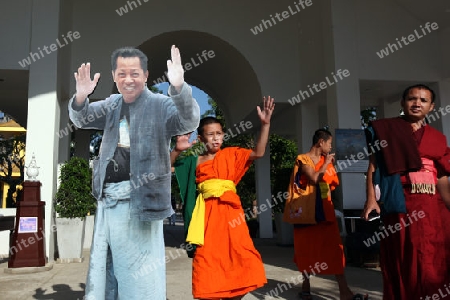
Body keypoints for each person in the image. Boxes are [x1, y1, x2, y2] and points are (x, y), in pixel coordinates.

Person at [68, 45, 200, 299]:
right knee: (109, 269)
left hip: (142, 201)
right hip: (109, 201)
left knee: (141, 274)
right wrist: (82, 97)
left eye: (134, 73)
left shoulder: (161, 104)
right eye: (122, 74)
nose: (128, 80)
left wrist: (180, 88)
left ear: (146, 75)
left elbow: (188, 120)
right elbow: (81, 119)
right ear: (115, 76)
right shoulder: (111, 104)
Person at [171, 97, 274, 300]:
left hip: (231, 216)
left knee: (240, 257)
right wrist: (176, 151)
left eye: (219, 134)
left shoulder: (231, 155)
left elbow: (258, 152)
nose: (216, 138)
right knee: (206, 260)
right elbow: (165, 169)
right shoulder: (194, 161)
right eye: (210, 135)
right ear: (201, 139)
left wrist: (265, 125)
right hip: (205, 218)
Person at [362, 84, 450, 299]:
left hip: (432, 206)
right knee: (404, 254)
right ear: (402, 103)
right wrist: (371, 200)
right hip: (401, 201)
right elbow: (374, 166)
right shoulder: (387, 129)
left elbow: (442, 177)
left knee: (434, 256)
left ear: (431, 107)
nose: (417, 103)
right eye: (411, 99)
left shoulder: (438, 138)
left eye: (423, 100)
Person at [288, 129, 367, 300]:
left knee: (335, 251)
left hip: (326, 212)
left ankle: (344, 291)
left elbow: (331, 186)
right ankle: (306, 285)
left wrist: (327, 164)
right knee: (305, 250)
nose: (330, 146)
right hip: (307, 213)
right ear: (320, 142)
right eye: (329, 143)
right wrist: (325, 165)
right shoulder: (304, 159)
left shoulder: (327, 161)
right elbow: (314, 179)